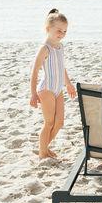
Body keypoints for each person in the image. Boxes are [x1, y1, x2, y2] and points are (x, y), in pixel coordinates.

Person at [28, 9, 76, 159]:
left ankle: (44, 148)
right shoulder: (45, 48)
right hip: (46, 89)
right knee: (49, 122)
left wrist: (68, 84)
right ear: (48, 29)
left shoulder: (60, 47)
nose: (62, 33)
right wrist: (33, 93)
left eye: (64, 31)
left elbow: (62, 68)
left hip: (58, 89)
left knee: (59, 122)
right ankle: (43, 152)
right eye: (59, 30)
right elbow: (34, 72)